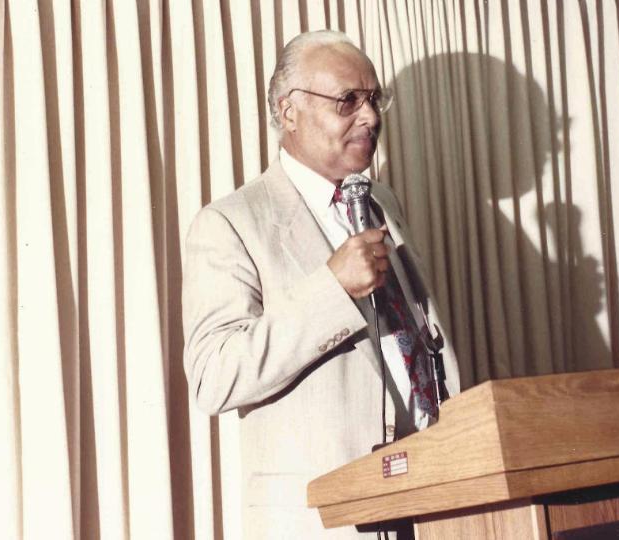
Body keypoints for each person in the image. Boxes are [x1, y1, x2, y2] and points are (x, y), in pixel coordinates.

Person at [182, 30, 461, 538]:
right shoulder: (229, 223)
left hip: (428, 502)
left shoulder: (383, 202)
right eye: (347, 100)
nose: (371, 117)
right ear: (289, 113)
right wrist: (332, 290)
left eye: (374, 98)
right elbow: (212, 375)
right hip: (324, 522)